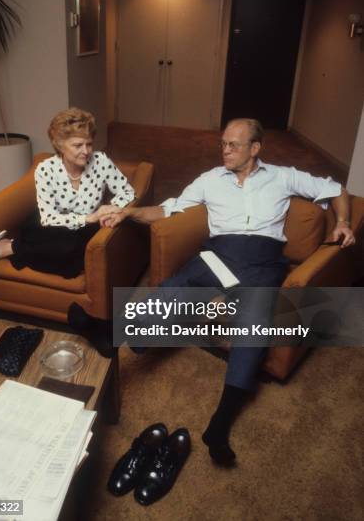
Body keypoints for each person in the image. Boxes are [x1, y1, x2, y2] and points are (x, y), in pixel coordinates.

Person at [99, 117, 355, 466]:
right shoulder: (209, 180)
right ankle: (111, 336)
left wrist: (342, 223)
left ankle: (219, 425)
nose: (225, 150)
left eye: (234, 144)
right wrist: (127, 213)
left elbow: (336, 189)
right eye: (223, 143)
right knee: (174, 289)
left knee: (254, 328)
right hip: (218, 255)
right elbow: (167, 209)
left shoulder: (283, 176)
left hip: (262, 264)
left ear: (255, 148)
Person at [0, 108, 135, 278]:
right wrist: (89, 217)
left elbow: (127, 191)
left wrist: (111, 208)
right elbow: (48, 218)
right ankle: (9, 246)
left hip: (83, 229)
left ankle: (11, 247)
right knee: (59, 245)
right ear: (59, 145)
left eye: (89, 144)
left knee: (71, 255)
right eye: (78, 145)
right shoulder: (45, 169)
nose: (86, 151)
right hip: (50, 224)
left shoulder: (100, 161)